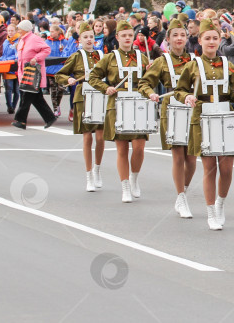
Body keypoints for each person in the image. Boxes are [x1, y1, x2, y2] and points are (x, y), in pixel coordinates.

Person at [176, 20, 234, 230]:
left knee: (227, 168)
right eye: (207, 38)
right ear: (200, 41)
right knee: (210, 168)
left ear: (220, 41)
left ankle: (221, 204)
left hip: (225, 117)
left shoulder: (228, 66)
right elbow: (179, 90)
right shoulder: (192, 65)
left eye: (215, 38)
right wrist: (187, 97)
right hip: (202, 118)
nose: (211, 42)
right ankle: (210, 211)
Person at [137, 18, 198, 216]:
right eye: (175, 35)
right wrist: (151, 93)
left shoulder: (196, 60)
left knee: (192, 159)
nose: (179, 38)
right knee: (178, 155)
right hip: (171, 109)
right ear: (168, 39)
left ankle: (184, 191)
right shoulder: (162, 61)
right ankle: (180, 197)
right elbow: (144, 83)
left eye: (182, 34)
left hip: (193, 110)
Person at [88, 21, 150, 204]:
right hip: (117, 104)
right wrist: (105, 88)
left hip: (138, 103)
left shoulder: (142, 57)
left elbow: (150, 79)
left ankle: (134, 178)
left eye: (130, 35)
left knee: (139, 147)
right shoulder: (110, 58)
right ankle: (124, 187)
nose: (127, 38)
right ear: (117, 38)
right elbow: (93, 77)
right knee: (122, 148)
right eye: (123, 35)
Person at [55, 22, 107, 192]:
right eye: (85, 37)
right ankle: (88, 174)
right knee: (87, 137)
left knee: (100, 137)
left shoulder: (102, 55)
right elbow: (60, 74)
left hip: (100, 96)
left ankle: (97, 169)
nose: (89, 39)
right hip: (83, 96)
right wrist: (67, 80)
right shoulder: (76, 56)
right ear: (80, 40)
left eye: (91, 36)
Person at [11, 20, 57, 129]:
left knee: (26, 98)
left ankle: (20, 120)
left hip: (32, 73)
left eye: (19, 28)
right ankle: (50, 118)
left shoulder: (34, 39)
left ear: (25, 29)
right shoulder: (23, 39)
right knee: (36, 98)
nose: (18, 30)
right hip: (26, 73)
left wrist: (36, 58)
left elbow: (46, 49)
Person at [0, 23, 20, 114]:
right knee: (8, 88)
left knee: (17, 90)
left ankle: (14, 106)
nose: (10, 32)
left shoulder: (19, 41)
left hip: (16, 68)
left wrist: (7, 59)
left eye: (12, 31)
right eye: (9, 31)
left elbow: (17, 55)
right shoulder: (6, 42)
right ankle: (9, 106)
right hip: (7, 68)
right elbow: (3, 54)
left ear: (16, 31)